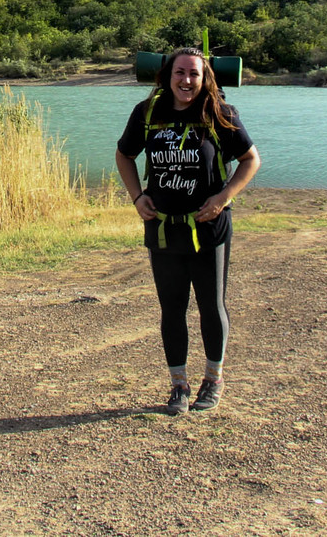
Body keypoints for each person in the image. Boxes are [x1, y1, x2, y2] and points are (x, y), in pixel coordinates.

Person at [115, 46, 260, 415]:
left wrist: (224, 197)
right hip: (163, 231)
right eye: (179, 73)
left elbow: (250, 159)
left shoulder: (219, 113)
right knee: (172, 309)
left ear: (205, 77)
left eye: (194, 74)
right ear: (166, 76)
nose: (186, 80)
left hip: (209, 230)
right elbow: (124, 154)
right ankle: (178, 385)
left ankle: (213, 379)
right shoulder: (147, 113)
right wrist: (136, 197)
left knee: (211, 306)